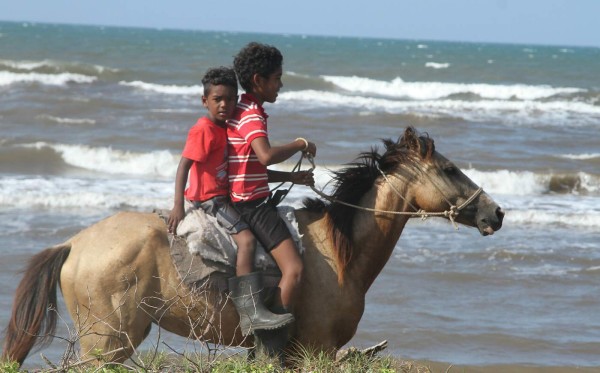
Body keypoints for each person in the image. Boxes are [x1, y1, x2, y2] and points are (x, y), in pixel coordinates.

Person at [167, 66, 293, 336]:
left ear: (237, 99)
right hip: (211, 200)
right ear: (205, 101)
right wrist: (178, 205)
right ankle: (250, 311)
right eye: (217, 99)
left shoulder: (225, 128)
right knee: (246, 241)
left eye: (230, 99)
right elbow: (184, 166)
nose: (224, 105)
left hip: (223, 197)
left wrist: (294, 176)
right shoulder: (203, 129)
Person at [227, 42, 317, 324]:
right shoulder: (252, 116)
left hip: (240, 197)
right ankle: (270, 339)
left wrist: (290, 178)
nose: (281, 84)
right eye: (277, 78)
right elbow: (265, 156)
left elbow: (247, 168)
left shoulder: (240, 109)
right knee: (295, 269)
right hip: (251, 206)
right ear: (258, 80)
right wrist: (300, 143)